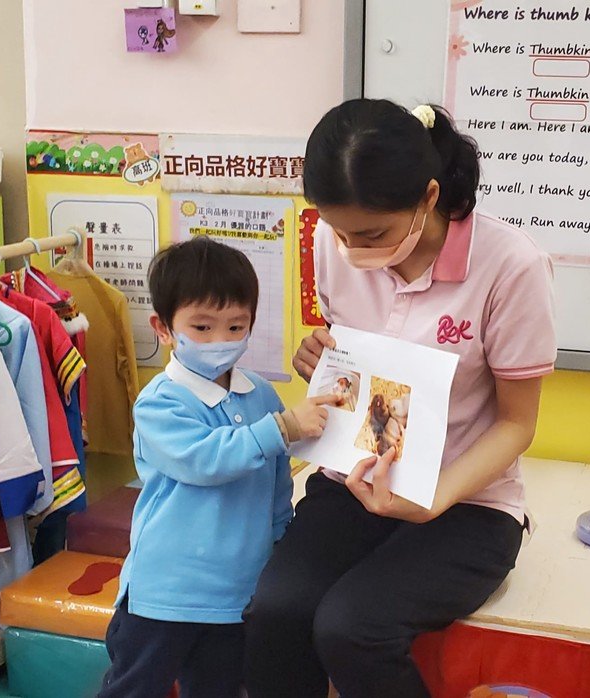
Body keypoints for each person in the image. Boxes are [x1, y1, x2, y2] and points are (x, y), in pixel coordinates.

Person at [244, 99, 557, 698]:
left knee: (352, 628)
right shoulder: (332, 244)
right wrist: (322, 363)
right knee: (276, 612)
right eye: (339, 231)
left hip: (468, 505)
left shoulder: (512, 267)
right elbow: (356, 365)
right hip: (354, 481)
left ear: (429, 196)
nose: (351, 247)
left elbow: (517, 424)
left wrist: (433, 499)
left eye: (372, 234)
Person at [97, 238, 335, 698]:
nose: (220, 340)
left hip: (236, 597)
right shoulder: (158, 402)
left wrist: (280, 542)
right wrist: (283, 427)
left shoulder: (260, 395)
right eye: (202, 327)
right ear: (163, 328)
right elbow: (206, 459)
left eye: (235, 326)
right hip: (164, 595)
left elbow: (276, 484)